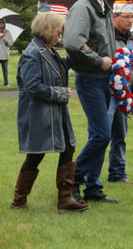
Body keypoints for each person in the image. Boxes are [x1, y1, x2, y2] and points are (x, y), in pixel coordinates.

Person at [11, 12, 89, 213]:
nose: (59, 35)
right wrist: (60, 93)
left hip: (55, 113)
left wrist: (79, 53)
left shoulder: (49, 50)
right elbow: (32, 86)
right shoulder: (32, 54)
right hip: (39, 115)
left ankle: (65, 198)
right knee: (36, 155)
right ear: (46, 30)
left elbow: (60, 66)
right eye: (57, 31)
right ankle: (19, 201)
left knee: (68, 148)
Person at [63, 0, 120, 204]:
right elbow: (74, 42)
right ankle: (72, 181)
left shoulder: (102, 7)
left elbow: (107, 42)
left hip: (103, 79)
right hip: (90, 79)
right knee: (102, 135)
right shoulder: (83, 8)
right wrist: (99, 61)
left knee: (99, 134)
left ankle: (93, 187)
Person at [108, 0, 133, 185]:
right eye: (126, 17)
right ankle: (88, 174)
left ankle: (118, 173)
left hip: (126, 93)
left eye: (132, 17)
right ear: (115, 17)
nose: (130, 21)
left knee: (120, 135)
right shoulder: (108, 37)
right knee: (101, 134)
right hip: (108, 91)